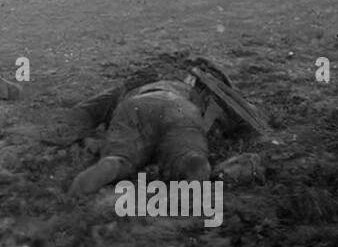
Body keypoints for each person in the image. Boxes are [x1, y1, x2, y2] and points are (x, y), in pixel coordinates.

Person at [68, 64, 228, 197]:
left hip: (136, 105)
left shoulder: (126, 88)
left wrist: (81, 136)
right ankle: (191, 187)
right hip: (180, 108)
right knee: (190, 157)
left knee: (118, 160)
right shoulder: (192, 88)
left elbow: (83, 111)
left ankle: (109, 166)